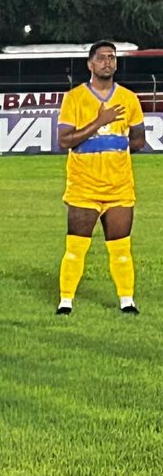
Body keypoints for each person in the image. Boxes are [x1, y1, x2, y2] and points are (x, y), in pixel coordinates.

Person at [57, 40, 144, 314]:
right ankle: (65, 302)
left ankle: (127, 301)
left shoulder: (129, 98)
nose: (108, 62)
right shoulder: (74, 98)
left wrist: (113, 149)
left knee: (121, 247)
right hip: (83, 187)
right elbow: (64, 141)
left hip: (119, 187)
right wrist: (99, 122)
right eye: (103, 57)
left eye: (112, 57)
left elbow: (139, 140)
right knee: (75, 247)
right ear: (90, 64)